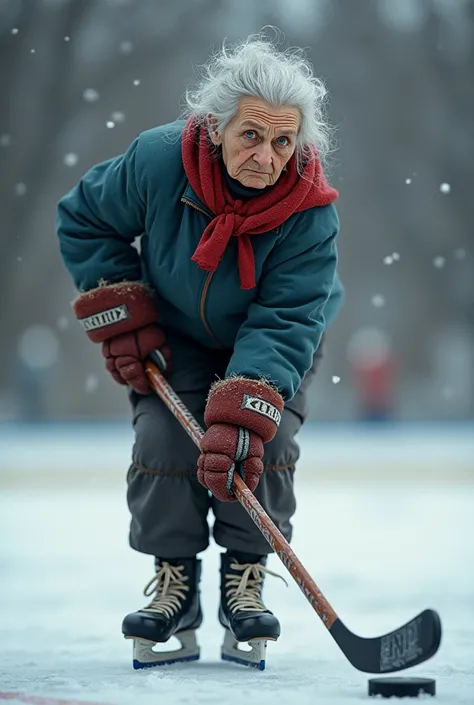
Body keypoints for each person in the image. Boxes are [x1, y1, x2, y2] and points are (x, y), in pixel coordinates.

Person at [57, 34, 344, 671]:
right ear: (216, 126)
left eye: (282, 142)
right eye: (251, 136)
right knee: (164, 441)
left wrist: (244, 404)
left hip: (277, 338)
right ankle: (174, 584)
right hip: (178, 334)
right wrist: (119, 302)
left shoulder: (311, 213)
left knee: (257, 441)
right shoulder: (158, 162)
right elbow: (83, 219)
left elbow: (289, 314)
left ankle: (245, 574)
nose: (266, 157)